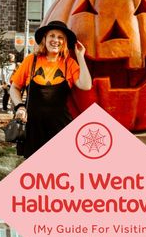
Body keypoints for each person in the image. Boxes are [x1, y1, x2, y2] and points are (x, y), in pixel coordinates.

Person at [10, 20, 92, 158]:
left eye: (60, 37)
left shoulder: (69, 64)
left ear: (65, 42)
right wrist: (20, 107)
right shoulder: (31, 60)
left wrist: (80, 57)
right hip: (34, 126)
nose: (56, 40)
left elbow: (86, 85)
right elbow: (14, 87)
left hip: (60, 126)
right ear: (45, 39)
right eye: (52, 36)